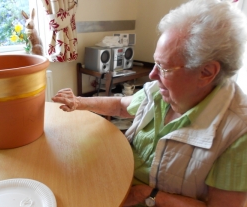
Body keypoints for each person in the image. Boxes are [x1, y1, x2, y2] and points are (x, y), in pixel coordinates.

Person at [52, 0, 247, 206]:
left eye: (164, 67)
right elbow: (120, 106)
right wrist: (79, 101)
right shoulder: (161, 91)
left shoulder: (238, 133)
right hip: (119, 180)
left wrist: (147, 194)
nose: (153, 75)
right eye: (156, 62)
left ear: (206, 73)